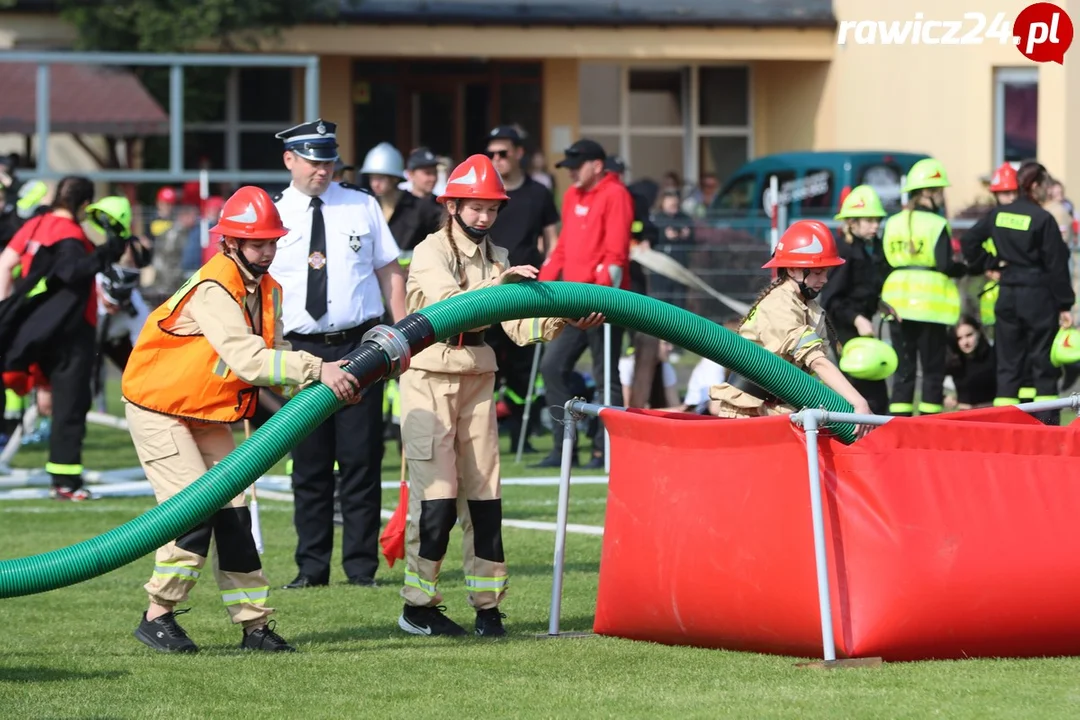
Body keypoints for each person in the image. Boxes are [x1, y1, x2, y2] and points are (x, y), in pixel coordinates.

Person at [122, 186, 361, 654]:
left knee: (234, 516)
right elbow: (249, 361)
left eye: (272, 242)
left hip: (204, 409)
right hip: (159, 409)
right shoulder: (214, 288)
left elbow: (275, 355)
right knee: (193, 512)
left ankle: (254, 626)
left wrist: (326, 378)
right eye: (257, 243)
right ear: (229, 243)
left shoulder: (263, 288)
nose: (268, 251)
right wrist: (317, 370)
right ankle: (158, 615)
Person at [397, 153, 603, 637]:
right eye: (475, 208)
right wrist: (501, 283)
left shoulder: (500, 257)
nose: (484, 218)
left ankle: (487, 607)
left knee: (486, 498)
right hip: (429, 377)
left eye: (491, 209)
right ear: (452, 206)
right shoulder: (430, 251)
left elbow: (515, 326)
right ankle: (417, 606)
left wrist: (564, 319)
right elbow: (454, 308)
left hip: (477, 376)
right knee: (438, 499)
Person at [270, 119, 407, 590]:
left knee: (360, 461)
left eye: (328, 161)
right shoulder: (273, 213)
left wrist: (402, 335)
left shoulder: (361, 205)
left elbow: (391, 273)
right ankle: (311, 568)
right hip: (301, 350)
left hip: (358, 346)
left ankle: (360, 568)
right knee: (309, 465)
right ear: (290, 160)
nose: (322, 171)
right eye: (313, 161)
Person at [0, 176, 126, 500]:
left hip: (30, 326)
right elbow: (72, 272)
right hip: (68, 330)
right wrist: (109, 249)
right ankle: (66, 481)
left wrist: (6, 310)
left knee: (39, 394)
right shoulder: (71, 235)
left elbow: (5, 264)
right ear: (84, 205)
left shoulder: (36, 224)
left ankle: (63, 477)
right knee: (71, 404)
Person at [709, 220, 873, 435]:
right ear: (793, 269)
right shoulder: (779, 305)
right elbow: (817, 361)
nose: (824, 280)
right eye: (817, 272)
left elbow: (816, 371)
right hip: (749, 412)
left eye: (826, 272)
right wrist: (858, 402)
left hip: (781, 410)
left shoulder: (810, 308)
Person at [534, 139, 633, 469]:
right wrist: (541, 288)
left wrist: (599, 298)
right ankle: (564, 447)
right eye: (569, 166)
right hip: (572, 302)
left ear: (597, 165)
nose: (572, 172)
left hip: (605, 302)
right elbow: (561, 249)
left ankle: (607, 449)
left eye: (578, 165)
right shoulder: (571, 195)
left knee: (606, 375)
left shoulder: (616, 194)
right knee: (552, 366)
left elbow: (616, 257)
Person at [960, 161, 1075, 425]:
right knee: (1042, 365)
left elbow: (969, 242)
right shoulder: (1042, 218)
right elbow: (1056, 265)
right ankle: (1046, 428)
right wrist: (1064, 305)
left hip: (1008, 294)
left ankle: (1006, 428)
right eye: (1045, 184)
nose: (1047, 189)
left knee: (1008, 366)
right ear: (1034, 185)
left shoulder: (998, 215)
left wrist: (990, 263)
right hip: (1037, 296)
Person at [484, 125, 560, 450]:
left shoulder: (538, 193)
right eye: (492, 154)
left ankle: (521, 436)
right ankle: (485, 435)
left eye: (502, 153)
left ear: (518, 153)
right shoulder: (487, 195)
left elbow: (553, 240)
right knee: (487, 365)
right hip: (490, 290)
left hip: (529, 293)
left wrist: (552, 279)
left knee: (523, 369)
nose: (497, 159)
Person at [880, 157, 968, 417]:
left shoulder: (893, 222)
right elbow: (943, 265)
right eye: (940, 191)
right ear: (931, 192)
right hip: (931, 307)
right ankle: (928, 427)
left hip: (897, 304)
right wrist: (964, 267)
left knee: (903, 370)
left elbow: (884, 262)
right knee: (932, 370)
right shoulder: (936, 224)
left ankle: (898, 426)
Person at [819, 185, 891, 415]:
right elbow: (831, 300)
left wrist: (880, 305)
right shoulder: (846, 252)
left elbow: (865, 289)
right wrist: (857, 318)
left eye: (877, 220)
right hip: (845, 328)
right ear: (852, 222)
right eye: (869, 220)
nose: (875, 226)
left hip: (863, 326)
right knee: (859, 382)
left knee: (874, 379)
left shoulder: (872, 248)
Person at [360, 141, 443, 253]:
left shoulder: (421, 207)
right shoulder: (368, 204)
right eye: (372, 178)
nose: (375, 184)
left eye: (380, 178)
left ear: (394, 178)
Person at [944, 316, 996, 410]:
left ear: (978, 332)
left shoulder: (993, 355)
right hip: (965, 417)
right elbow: (932, 379)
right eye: (960, 338)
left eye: (969, 335)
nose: (965, 342)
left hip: (991, 415)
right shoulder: (954, 361)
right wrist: (944, 398)